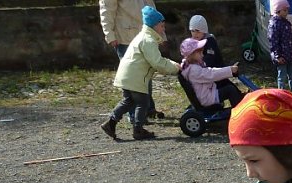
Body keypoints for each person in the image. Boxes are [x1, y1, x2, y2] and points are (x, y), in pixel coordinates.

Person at [100, 6, 180, 141]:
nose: (163, 29)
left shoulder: (143, 37)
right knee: (143, 102)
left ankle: (111, 123)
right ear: (154, 25)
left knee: (128, 101)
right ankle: (138, 129)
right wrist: (176, 68)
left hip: (127, 76)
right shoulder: (148, 40)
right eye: (162, 26)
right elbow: (157, 63)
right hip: (135, 77)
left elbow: (157, 60)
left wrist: (172, 64)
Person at [98, 0, 161, 120]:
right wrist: (109, 34)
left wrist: (159, 33)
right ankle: (135, 115)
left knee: (146, 73)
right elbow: (106, 9)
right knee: (132, 79)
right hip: (125, 37)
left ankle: (148, 108)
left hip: (144, 35)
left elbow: (151, 7)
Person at [180, 38, 243, 108]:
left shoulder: (192, 65)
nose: (202, 55)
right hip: (207, 98)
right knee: (230, 90)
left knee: (224, 84)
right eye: (200, 53)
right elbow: (211, 74)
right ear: (191, 55)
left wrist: (228, 70)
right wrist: (230, 70)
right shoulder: (194, 70)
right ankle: (239, 112)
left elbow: (210, 70)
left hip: (207, 92)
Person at [268, 0, 292, 95]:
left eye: (287, 10)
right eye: (285, 10)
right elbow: (273, 42)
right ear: (278, 10)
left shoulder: (285, 23)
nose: (287, 12)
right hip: (281, 56)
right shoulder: (274, 24)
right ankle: (281, 93)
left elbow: (290, 40)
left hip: (289, 54)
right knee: (282, 75)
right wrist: (277, 56)